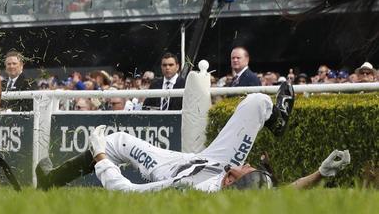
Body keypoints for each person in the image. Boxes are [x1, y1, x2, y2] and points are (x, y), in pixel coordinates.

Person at [37, 82, 351, 192]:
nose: (247, 163)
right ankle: (275, 118)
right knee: (257, 102)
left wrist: (101, 155)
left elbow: (125, 192)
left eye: (247, 167)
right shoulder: (243, 191)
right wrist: (320, 174)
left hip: (175, 169)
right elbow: (284, 193)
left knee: (115, 141)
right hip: (213, 164)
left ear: (231, 180)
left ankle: (52, 179)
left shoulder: (188, 190)